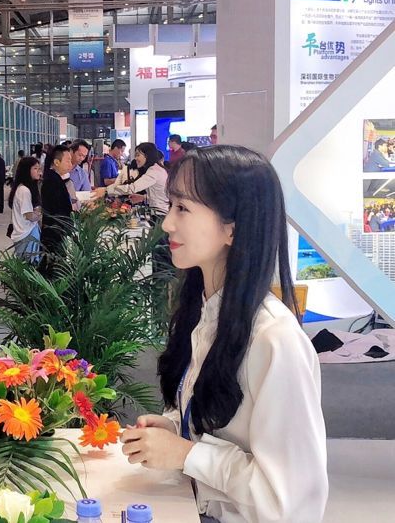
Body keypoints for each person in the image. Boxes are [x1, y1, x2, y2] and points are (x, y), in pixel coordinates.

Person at [120, 145, 327, 523]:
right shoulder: (204, 314)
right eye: (171, 205)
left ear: (232, 227)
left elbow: (291, 502)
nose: (167, 224)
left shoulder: (275, 341)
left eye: (183, 208)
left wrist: (187, 454)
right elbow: (226, 429)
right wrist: (177, 427)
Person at [95, 142, 169, 214]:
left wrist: (106, 190)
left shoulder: (154, 171)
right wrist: (143, 197)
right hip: (158, 211)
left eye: (138, 155)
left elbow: (132, 188)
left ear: (147, 155)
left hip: (160, 214)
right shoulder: (155, 169)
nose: (135, 158)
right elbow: (158, 195)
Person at [40, 145, 73, 273]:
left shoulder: (56, 178)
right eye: (67, 161)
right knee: (54, 267)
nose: (70, 164)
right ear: (56, 162)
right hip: (54, 230)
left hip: (57, 229)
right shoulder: (52, 181)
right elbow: (56, 208)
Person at [8, 157, 42, 264]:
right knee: (29, 265)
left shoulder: (24, 188)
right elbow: (29, 215)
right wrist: (40, 214)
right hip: (27, 233)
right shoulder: (24, 190)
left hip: (26, 232)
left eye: (39, 168)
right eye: (35, 168)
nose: (39, 172)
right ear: (26, 170)